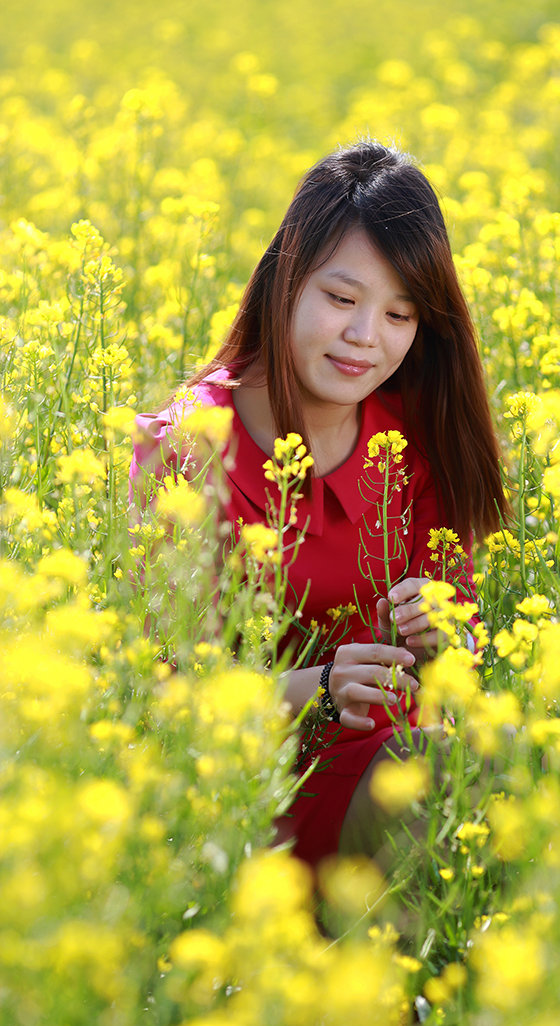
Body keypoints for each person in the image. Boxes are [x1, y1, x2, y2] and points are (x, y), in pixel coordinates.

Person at [130, 141, 508, 869]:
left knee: (514, 769)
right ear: (286, 279)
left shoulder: (414, 446)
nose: (366, 338)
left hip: (394, 779)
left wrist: (445, 638)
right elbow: (165, 700)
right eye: (342, 299)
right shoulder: (186, 447)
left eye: (400, 315)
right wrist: (321, 689)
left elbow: (463, 656)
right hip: (240, 806)